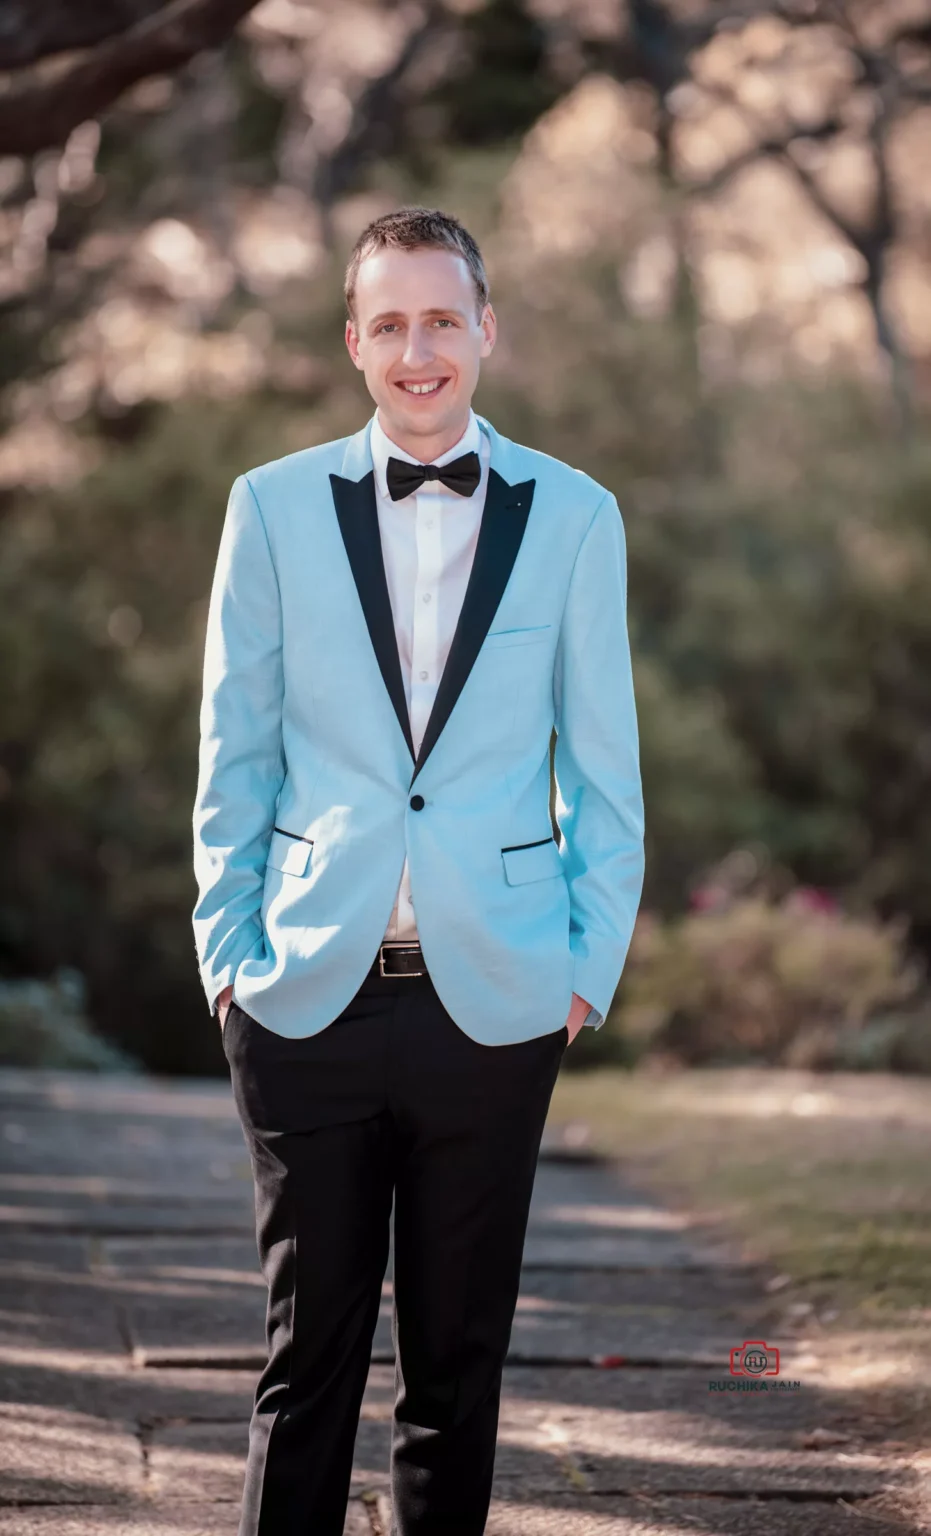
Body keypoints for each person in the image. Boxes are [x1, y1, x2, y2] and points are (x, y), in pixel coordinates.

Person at [192, 206, 644, 1536]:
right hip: (305, 998)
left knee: (457, 1372)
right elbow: (235, 754)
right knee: (305, 1370)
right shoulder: (268, 508)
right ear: (352, 343)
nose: (417, 349)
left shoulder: (574, 517)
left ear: (486, 330)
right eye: (387, 323)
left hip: (496, 1003)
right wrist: (229, 961)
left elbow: (603, 770)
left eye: (442, 318)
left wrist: (582, 971)